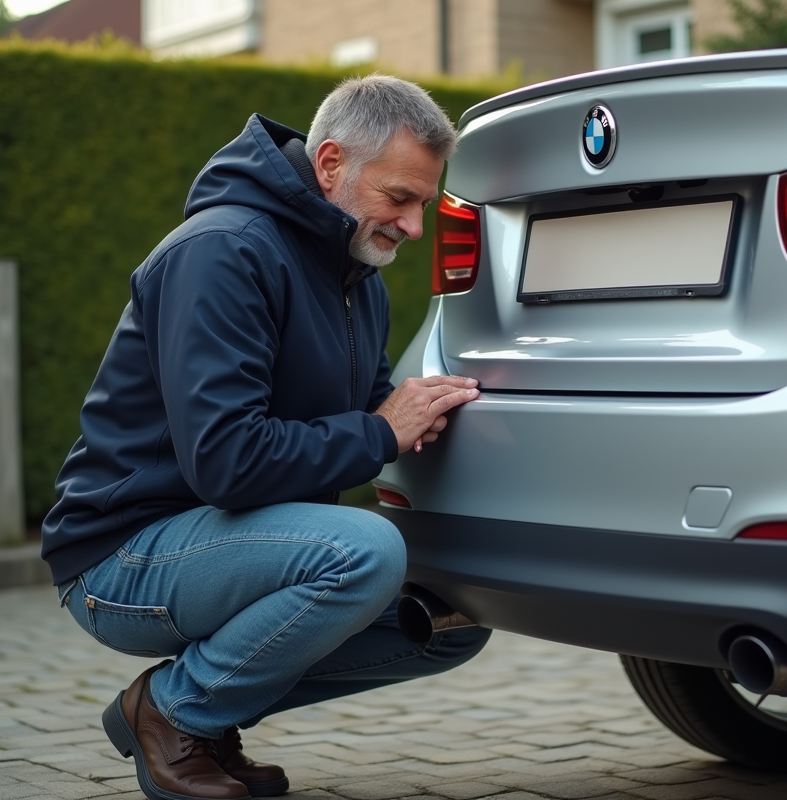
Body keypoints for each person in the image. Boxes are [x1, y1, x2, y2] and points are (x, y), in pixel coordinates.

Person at [40, 75, 490, 800]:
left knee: (449, 614)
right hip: (121, 558)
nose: (413, 226)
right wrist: (381, 431)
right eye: (399, 199)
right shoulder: (223, 251)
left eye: (424, 206)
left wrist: (445, 419)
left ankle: (209, 716)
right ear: (332, 164)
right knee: (364, 552)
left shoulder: (356, 277)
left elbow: (374, 412)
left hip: (231, 540)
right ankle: (174, 712)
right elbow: (228, 462)